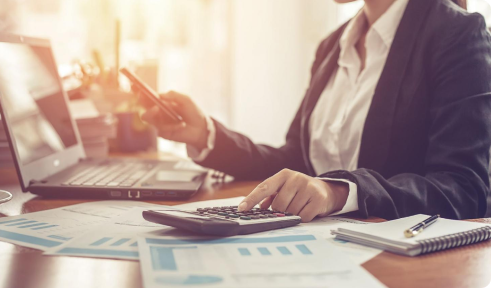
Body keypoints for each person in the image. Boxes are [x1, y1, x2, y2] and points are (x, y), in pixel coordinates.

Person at [142, 0, 491, 222]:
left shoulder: (458, 34)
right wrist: (208, 135)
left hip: (394, 265)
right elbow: (298, 160)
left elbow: (464, 188)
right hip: (318, 246)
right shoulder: (332, 46)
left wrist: (339, 191)